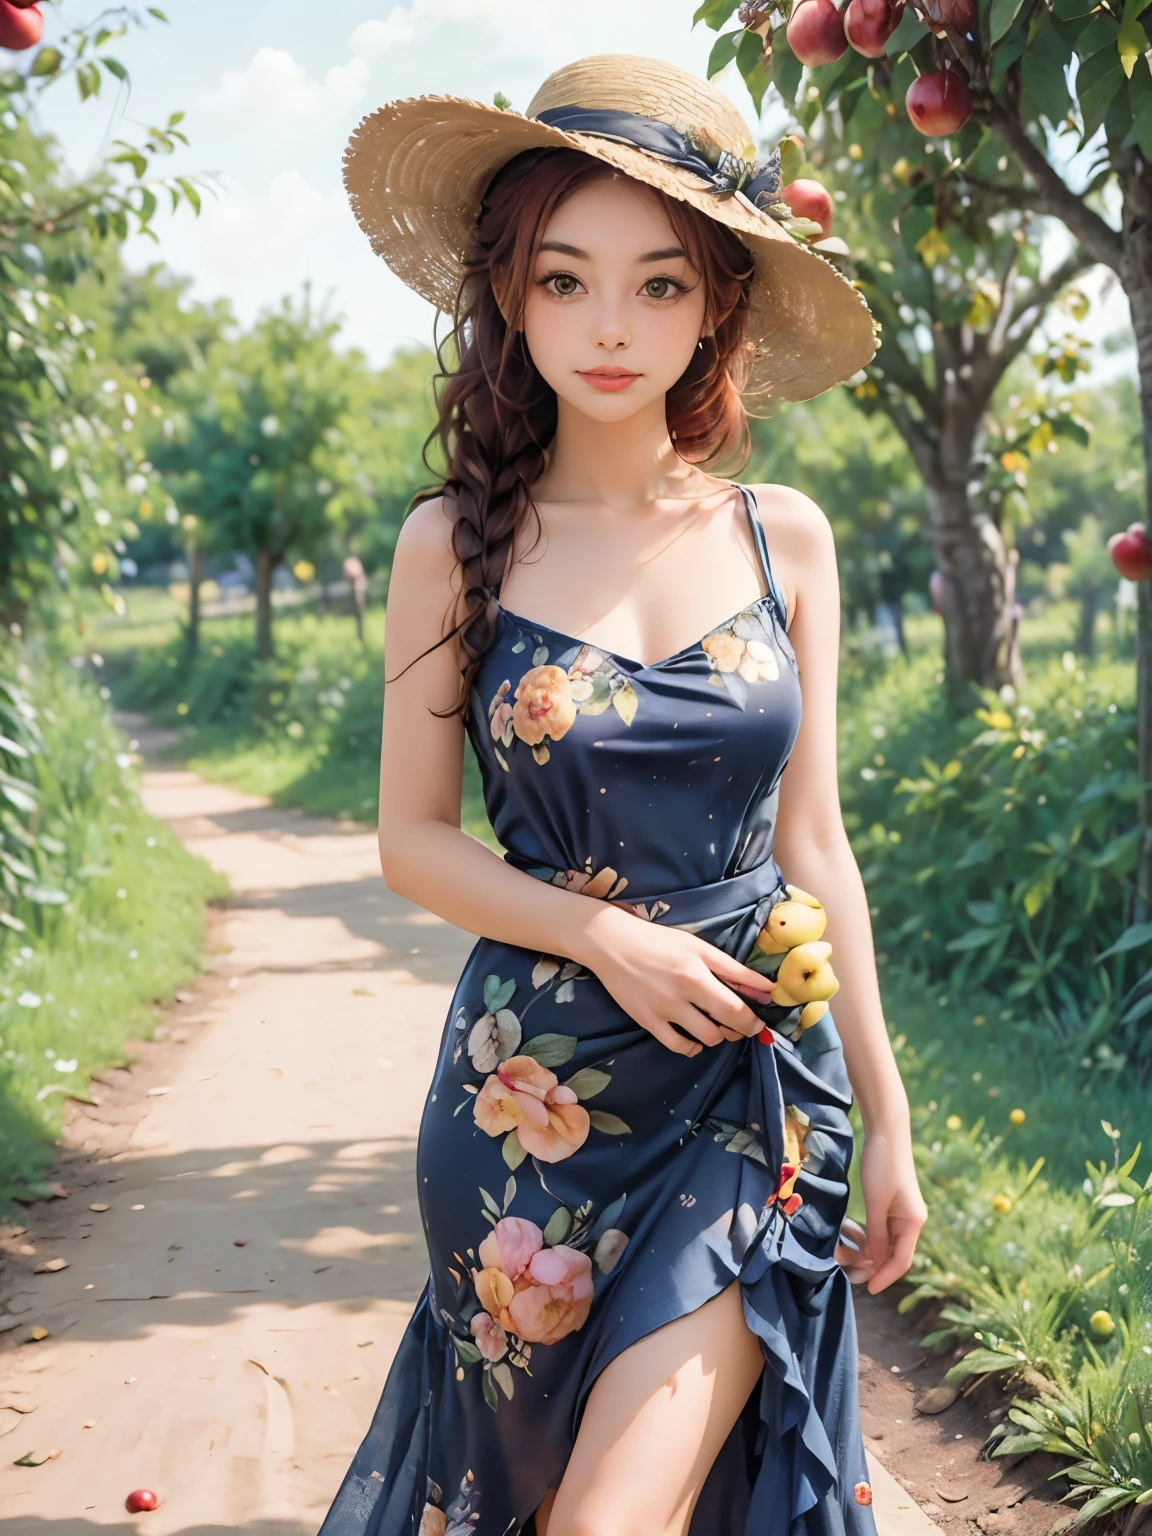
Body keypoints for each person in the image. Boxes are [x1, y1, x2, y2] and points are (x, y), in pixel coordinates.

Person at [320, 52, 927, 1536]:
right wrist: (601, 937)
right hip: (533, 1096)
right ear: (509, 295)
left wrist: (893, 1115)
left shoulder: (785, 538)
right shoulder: (452, 542)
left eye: (658, 285)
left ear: (717, 302)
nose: (609, 327)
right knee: (533, 1503)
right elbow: (412, 842)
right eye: (567, 278)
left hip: (752, 1081)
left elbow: (815, 842)